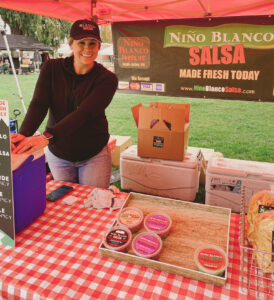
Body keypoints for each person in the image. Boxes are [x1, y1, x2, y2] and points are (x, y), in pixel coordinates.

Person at [11, 19, 118, 189]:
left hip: (93, 154)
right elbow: (39, 105)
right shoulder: (51, 68)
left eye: (93, 44)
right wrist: (24, 135)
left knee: (93, 206)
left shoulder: (107, 79)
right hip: (59, 154)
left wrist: (46, 137)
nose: (87, 49)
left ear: (99, 47)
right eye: (81, 42)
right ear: (71, 44)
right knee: (66, 200)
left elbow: (85, 113)